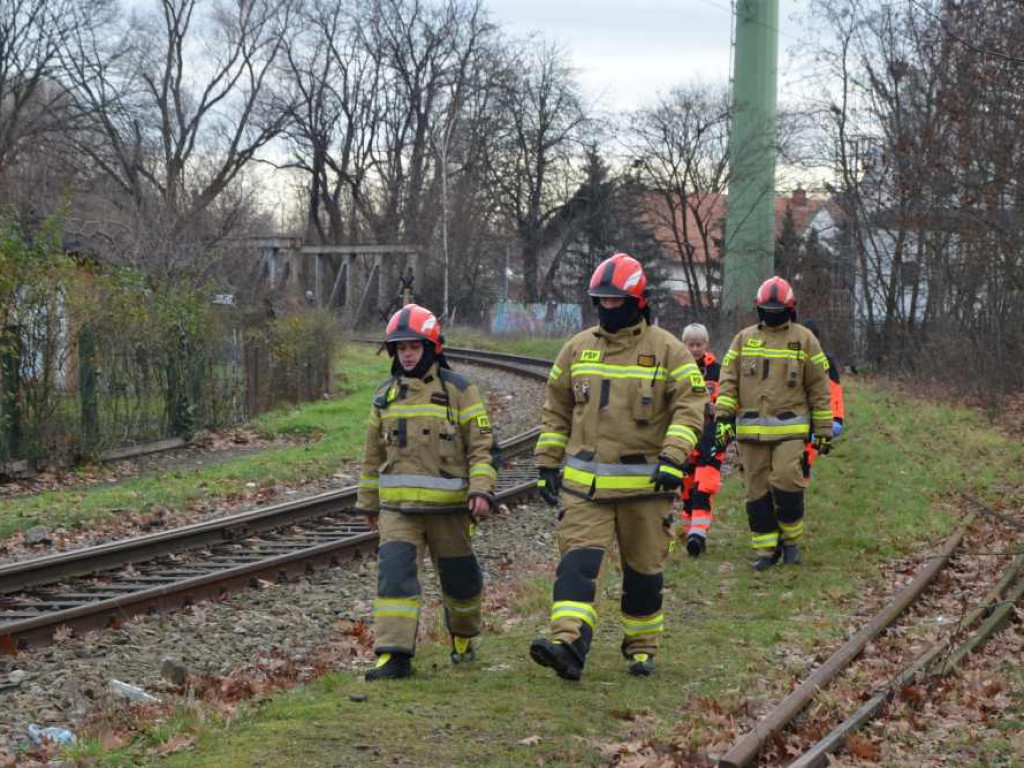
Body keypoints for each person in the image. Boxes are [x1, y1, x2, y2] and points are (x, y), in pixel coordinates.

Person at [529, 253, 708, 680]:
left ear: (637, 300)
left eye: (616, 300)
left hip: (646, 487)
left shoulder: (669, 350)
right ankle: (568, 644)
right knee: (577, 566)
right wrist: (546, 463)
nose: (608, 308)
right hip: (585, 490)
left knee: (643, 573)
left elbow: (690, 409)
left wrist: (673, 460)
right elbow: (556, 410)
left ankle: (642, 647)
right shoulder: (576, 349)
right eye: (602, 300)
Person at [356, 304, 500, 680]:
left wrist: (481, 491)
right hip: (398, 511)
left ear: (432, 348)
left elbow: (482, 447)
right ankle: (393, 654)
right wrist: (368, 504)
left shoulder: (460, 392)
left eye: (413, 347)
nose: (406, 353)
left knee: (461, 583)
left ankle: (464, 637)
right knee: (394, 578)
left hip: (449, 511)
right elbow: (372, 456)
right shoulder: (384, 397)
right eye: (400, 347)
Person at [714, 277, 832, 571]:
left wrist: (824, 430)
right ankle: (767, 549)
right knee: (756, 490)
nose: (771, 313)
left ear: (789, 309)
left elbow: (819, 387)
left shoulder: (804, 339)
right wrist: (723, 419)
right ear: (758, 308)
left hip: (789, 427)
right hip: (750, 430)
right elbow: (728, 381)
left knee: (786, 479)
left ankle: (791, 541)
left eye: (777, 309)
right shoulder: (743, 339)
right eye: (766, 308)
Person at [678, 323, 724, 557]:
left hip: (711, 439)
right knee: (686, 492)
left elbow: (729, 400)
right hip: (685, 440)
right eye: (690, 344)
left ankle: (698, 534)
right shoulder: (676, 370)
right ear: (683, 345)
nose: (695, 349)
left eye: (699, 344)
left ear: (706, 345)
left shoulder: (717, 371)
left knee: (702, 489)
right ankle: (692, 534)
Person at [800, 319, 845, 480]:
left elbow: (834, 391)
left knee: (805, 460)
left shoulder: (826, 361)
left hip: (816, 415)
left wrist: (837, 418)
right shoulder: (791, 359)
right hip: (795, 417)